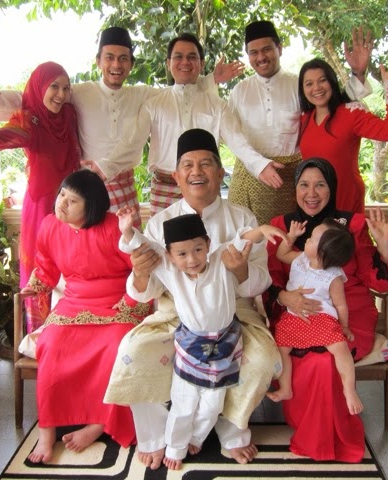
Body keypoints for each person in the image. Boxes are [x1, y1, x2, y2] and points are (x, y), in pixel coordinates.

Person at [0, 27, 243, 227]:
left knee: (127, 248)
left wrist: (210, 80)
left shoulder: (143, 95)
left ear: (131, 64)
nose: (116, 65)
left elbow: (181, 90)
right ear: (98, 61)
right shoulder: (79, 92)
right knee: (87, 247)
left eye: (123, 59)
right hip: (85, 184)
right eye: (110, 58)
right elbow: (32, 99)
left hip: (124, 185)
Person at [104, 128, 281, 469]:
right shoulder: (160, 223)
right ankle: (157, 436)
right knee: (134, 352)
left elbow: (261, 281)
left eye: (205, 164)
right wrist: (140, 272)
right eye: (188, 165)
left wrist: (242, 272)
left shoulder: (242, 219)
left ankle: (232, 432)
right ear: (176, 176)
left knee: (261, 360)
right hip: (175, 312)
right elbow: (146, 291)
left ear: (220, 172)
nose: (196, 171)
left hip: (235, 312)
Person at [118, 210, 285, 469]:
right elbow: (144, 244)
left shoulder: (220, 259)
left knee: (212, 405)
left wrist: (261, 230)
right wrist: (128, 230)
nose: (192, 259)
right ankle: (175, 447)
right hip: (190, 347)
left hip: (225, 344)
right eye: (182, 254)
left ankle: (196, 437)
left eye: (198, 249)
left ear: (208, 244)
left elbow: (242, 240)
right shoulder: (169, 269)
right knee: (184, 404)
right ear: (170, 256)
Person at [263, 157, 388, 462]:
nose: (311, 193)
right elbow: (271, 275)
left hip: (347, 312)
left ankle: (327, 439)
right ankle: (309, 429)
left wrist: (383, 248)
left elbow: (378, 282)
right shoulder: (283, 227)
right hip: (296, 312)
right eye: (304, 185)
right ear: (295, 189)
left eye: (320, 185)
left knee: (325, 361)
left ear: (332, 188)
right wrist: (285, 297)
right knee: (304, 356)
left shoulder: (352, 225)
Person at [20, 169, 151, 464]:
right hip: (74, 302)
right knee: (51, 345)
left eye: (72, 200)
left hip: (117, 302)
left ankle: (99, 423)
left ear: (91, 206)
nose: (62, 203)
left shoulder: (114, 227)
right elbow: (46, 265)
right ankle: (46, 432)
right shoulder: (49, 225)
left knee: (116, 346)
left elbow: (140, 269)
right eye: (62, 195)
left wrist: (131, 302)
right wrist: (37, 284)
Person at [105, 33, 273, 216]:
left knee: (209, 235)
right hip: (164, 188)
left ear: (201, 64)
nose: (185, 62)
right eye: (178, 56)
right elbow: (132, 142)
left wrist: (260, 165)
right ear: (168, 63)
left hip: (205, 187)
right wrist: (102, 168)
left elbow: (237, 141)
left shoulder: (218, 106)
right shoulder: (154, 104)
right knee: (162, 235)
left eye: (192, 57)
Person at [0, 61, 80, 332]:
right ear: (39, 88)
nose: (61, 94)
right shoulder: (29, 122)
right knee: (41, 273)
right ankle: (39, 338)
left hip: (73, 208)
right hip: (42, 208)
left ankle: (69, 335)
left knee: (72, 272)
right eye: (54, 86)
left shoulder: (69, 115)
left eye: (66, 88)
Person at [228, 21, 374, 226]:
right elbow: (230, 135)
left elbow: (334, 107)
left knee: (289, 237)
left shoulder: (299, 85)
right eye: (253, 52)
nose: (260, 57)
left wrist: (358, 74)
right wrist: (258, 164)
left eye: (267, 49)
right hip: (247, 179)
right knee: (245, 237)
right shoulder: (240, 90)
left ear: (279, 49)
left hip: (288, 181)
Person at [268, 217, 364, 417]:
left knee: (340, 348)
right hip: (294, 316)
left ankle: (349, 390)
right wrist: (291, 236)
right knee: (281, 349)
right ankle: (286, 388)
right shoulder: (301, 259)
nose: (307, 240)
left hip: (321, 318)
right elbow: (281, 254)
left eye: (311, 239)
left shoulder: (333, 276)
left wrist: (344, 326)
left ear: (323, 253)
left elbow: (340, 305)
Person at [297, 54, 388, 214]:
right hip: (313, 201)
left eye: (322, 80)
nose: (316, 88)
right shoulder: (304, 118)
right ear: (303, 90)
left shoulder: (351, 113)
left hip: (345, 198)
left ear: (332, 82)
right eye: (309, 84)